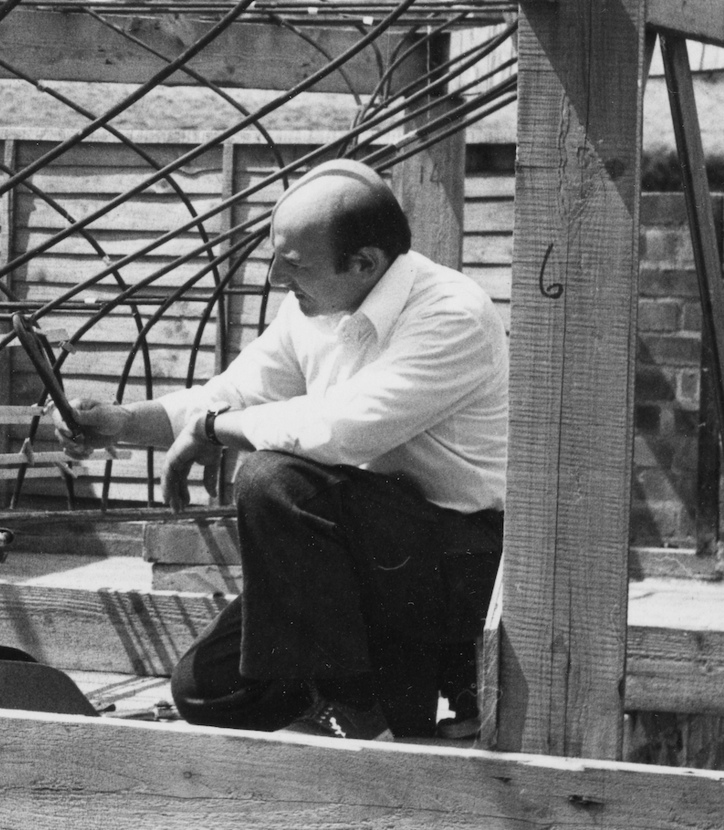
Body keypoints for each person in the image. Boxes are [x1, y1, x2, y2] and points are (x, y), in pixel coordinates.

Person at [54, 159, 506, 740]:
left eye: (291, 265)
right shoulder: (318, 302)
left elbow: (340, 430)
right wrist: (118, 423)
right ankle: (379, 692)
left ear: (365, 263)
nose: (273, 280)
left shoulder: (453, 314)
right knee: (205, 686)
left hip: (452, 563)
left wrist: (216, 430)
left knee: (273, 480)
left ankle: (358, 709)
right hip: (365, 556)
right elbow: (235, 394)